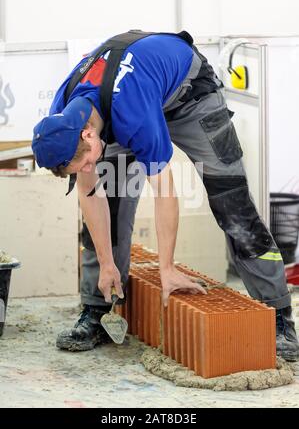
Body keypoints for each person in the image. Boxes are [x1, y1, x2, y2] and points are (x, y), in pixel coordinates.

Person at [32, 30, 299, 361]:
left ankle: (277, 317)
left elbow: (164, 190)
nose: (89, 166)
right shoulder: (64, 116)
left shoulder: (132, 112)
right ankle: (98, 309)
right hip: (120, 107)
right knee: (111, 205)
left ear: (88, 134)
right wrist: (105, 263)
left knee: (233, 205)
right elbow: (89, 191)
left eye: (87, 159)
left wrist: (167, 266)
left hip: (189, 98)